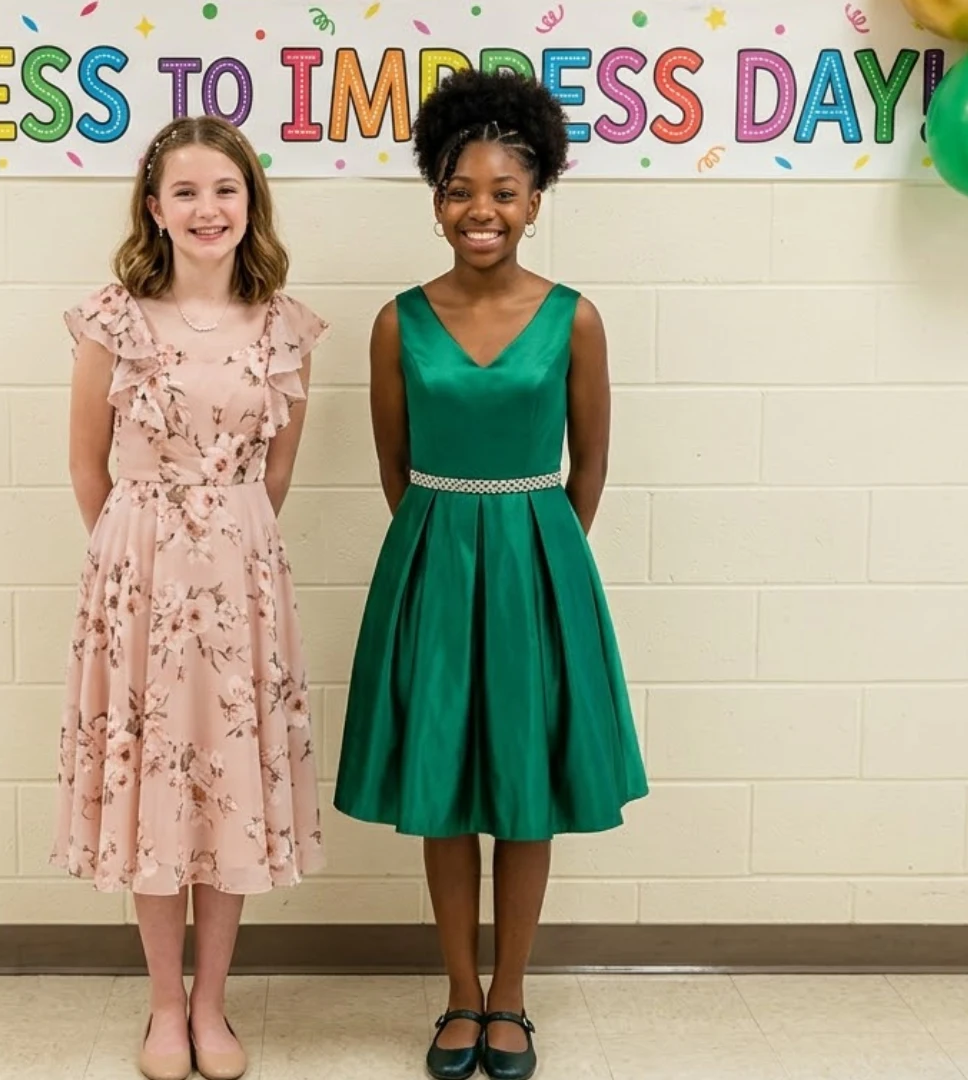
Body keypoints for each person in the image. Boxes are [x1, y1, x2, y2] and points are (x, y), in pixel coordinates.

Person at [334, 69, 649, 1080]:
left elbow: (591, 463)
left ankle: (511, 999)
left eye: (504, 191)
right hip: (432, 563)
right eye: (461, 190)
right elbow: (394, 466)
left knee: (522, 792)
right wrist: (451, 543)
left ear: (536, 202)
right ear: (436, 202)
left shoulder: (576, 318)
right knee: (444, 788)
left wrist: (539, 554)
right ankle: (458, 998)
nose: (482, 210)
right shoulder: (397, 322)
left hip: (536, 572)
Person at [52, 115, 329, 1080]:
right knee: (159, 791)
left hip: (243, 580)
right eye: (185, 192)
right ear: (154, 208)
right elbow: (88, 464)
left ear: (250, 202)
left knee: (231, 791)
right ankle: (164, 1008)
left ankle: (214, 1007)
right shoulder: (112, 321)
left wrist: (222, 536)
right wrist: (147, 551)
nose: (207, 209)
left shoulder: (286, 326)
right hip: (141, 577)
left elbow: (277, 469)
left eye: (225, 189)